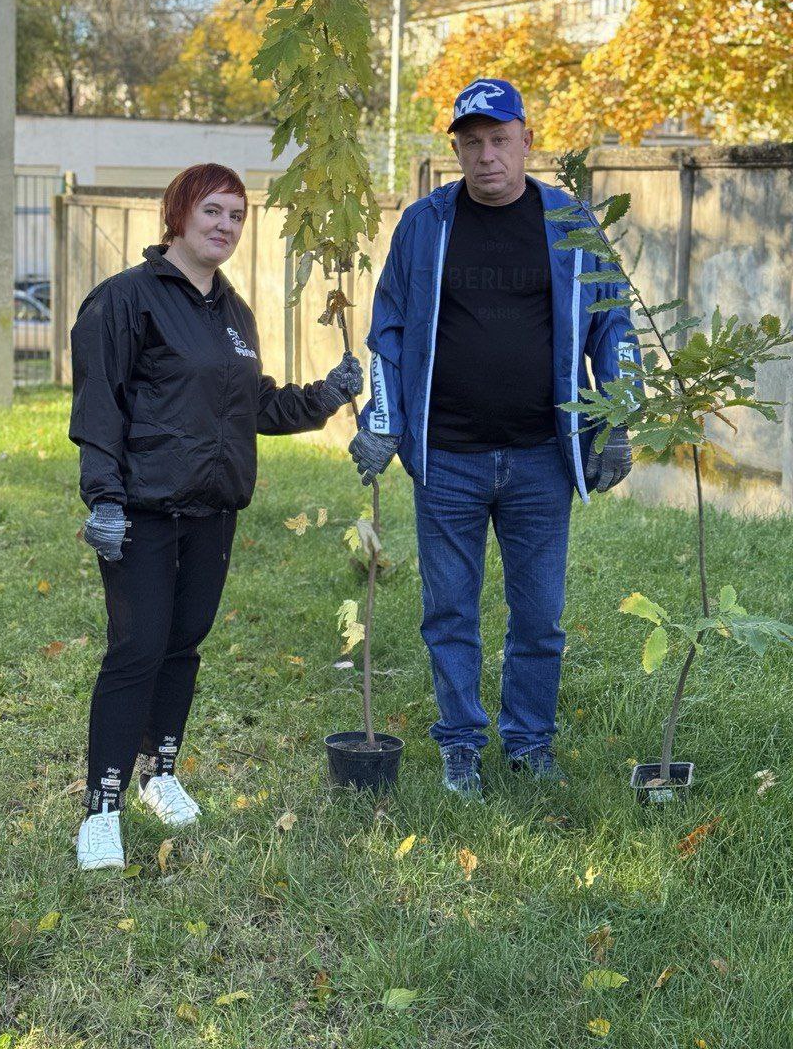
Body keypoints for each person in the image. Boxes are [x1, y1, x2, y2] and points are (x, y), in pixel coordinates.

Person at [349, 78, 637, 798]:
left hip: (542, 457)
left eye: (499, 141)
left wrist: (617, 417)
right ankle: (459, 745)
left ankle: (530, 742)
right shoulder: (426, 224)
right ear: (456, 148)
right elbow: (387, 330)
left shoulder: (570, 221)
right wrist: (382, 419)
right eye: (470, 143)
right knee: (450, 611)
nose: (485, 157)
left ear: (526, 140)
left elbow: (614, 324)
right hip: (446, 457)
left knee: (538, 615)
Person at [69, 163, 362, 869]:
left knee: (183, 645)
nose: (226, 226)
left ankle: (159, 775)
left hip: (213, 511)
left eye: (237, 215)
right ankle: (101, 808)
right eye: (213, 212)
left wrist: (326, 394)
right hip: (141, 508)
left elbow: (256, 406)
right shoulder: (124, 301)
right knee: (136, 651)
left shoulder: (232, 313)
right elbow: (98, 406)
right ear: (178, 214)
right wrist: (103, 498)